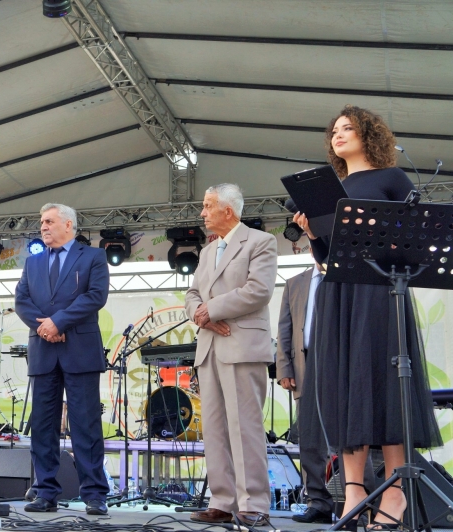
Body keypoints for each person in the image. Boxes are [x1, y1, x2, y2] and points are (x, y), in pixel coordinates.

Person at [293, 105, 441, 529]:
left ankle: (395, 493)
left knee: (386, 382)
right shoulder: (332, 187)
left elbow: (417, 238)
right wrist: (314, 235)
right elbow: (328, 258)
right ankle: (353, 492)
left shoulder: (391, 178)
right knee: (346, 386)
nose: (338, 135)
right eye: (334, 130)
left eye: (348, 128)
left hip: (380, 291)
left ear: (369, 134)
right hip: (339, 292)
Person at [184, 183, 278, 527]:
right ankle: (222, 501)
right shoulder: (208, 250)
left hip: (242, 346)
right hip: (210, 345)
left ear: (228, 210)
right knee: (214, 429)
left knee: (245, 427)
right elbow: (192, 294)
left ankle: (254, 504)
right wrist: (202, 316)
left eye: (208, 206)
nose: (202, 212)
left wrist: (212, 309)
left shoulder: (261, 241)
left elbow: (259, 290)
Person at [15, 203, 110, 516]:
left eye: (49, 221)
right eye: (41, 222)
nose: (43, 226)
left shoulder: (93, 256)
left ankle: (94, 494)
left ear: (68, 224)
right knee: (43, 426)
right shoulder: (33, 262)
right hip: (43, 350)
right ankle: (45, 492)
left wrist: (59, 322)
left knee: (86, 425)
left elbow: (95, 296)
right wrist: (45, 327)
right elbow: (22, 300)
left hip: (80, 350)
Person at [276, 254, 335, 524]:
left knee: (349, 437)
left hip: (339, 361)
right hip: (305, 364)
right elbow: (285, 328)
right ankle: (318, 502)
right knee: (310, 440)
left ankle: (361, 499)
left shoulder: (346, 276)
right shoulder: (294, 283)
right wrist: (284, 368)